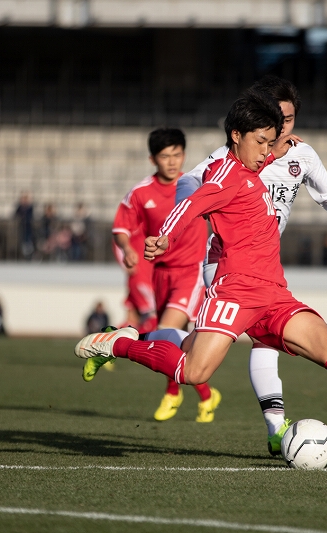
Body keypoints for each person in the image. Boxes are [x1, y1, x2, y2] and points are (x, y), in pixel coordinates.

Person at [75, 90, 327, 463]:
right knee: (194, 371)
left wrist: (279, 159)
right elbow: (193, 202)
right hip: (236, 289)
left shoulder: (250, 168)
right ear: (236, 136)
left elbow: (257, 170)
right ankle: (116, 345)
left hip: (274, 292)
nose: (268, 149)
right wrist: (165, 236)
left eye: (271, 141)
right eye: (261, 141)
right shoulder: (225, 176)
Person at [176, 76, 327, 455]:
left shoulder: (303, 157)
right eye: (276, 119)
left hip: (264, 262)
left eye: (290, 118)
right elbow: (188, 182)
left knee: (199, 347)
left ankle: (140, 339)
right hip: (224, 260)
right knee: (257, 340)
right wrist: (199, 209)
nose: (283, 128)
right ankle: (277, 428)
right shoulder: (237, 156)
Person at [99, 128, 221, 423]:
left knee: (166, 331)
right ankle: (207, 395)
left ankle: (172, 393)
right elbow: (121, 229)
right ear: (153, 158)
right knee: (179, 343)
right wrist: (128, 248)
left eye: (177, 154)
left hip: (191, 272)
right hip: (159, 274)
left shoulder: (196, 183)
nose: (172, 161)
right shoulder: (141, 193)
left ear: (184, 154)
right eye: (165, 156)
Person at [14, 192, 35, 260]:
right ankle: (24, 252)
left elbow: (31, 216)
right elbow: (16, 214)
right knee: (22, 238)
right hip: (21, 225)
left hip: (28, 225)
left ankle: (29, 251)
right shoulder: (20, 207)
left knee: (28, 237)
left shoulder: (30, 207)